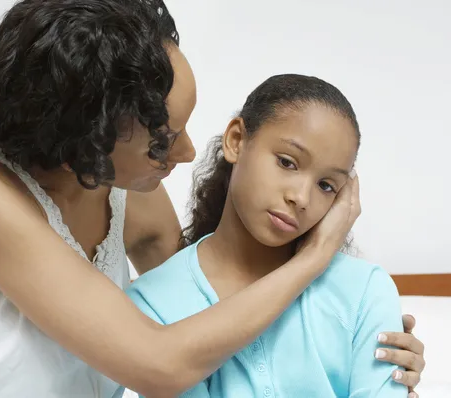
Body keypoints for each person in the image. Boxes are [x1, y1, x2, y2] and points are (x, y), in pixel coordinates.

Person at [0, 1, 424, 397]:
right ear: (85, 138)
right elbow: (161, 364)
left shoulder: (113, 185)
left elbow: (203, 295)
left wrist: (355, 330)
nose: (185, 153)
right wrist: (315, 259)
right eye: (161, 140)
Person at [126, 74, 418, 397]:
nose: (301, 198)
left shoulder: (366, 292)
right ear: (236, 140)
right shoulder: (153, 303)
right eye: (287, 162)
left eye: (326, 185)